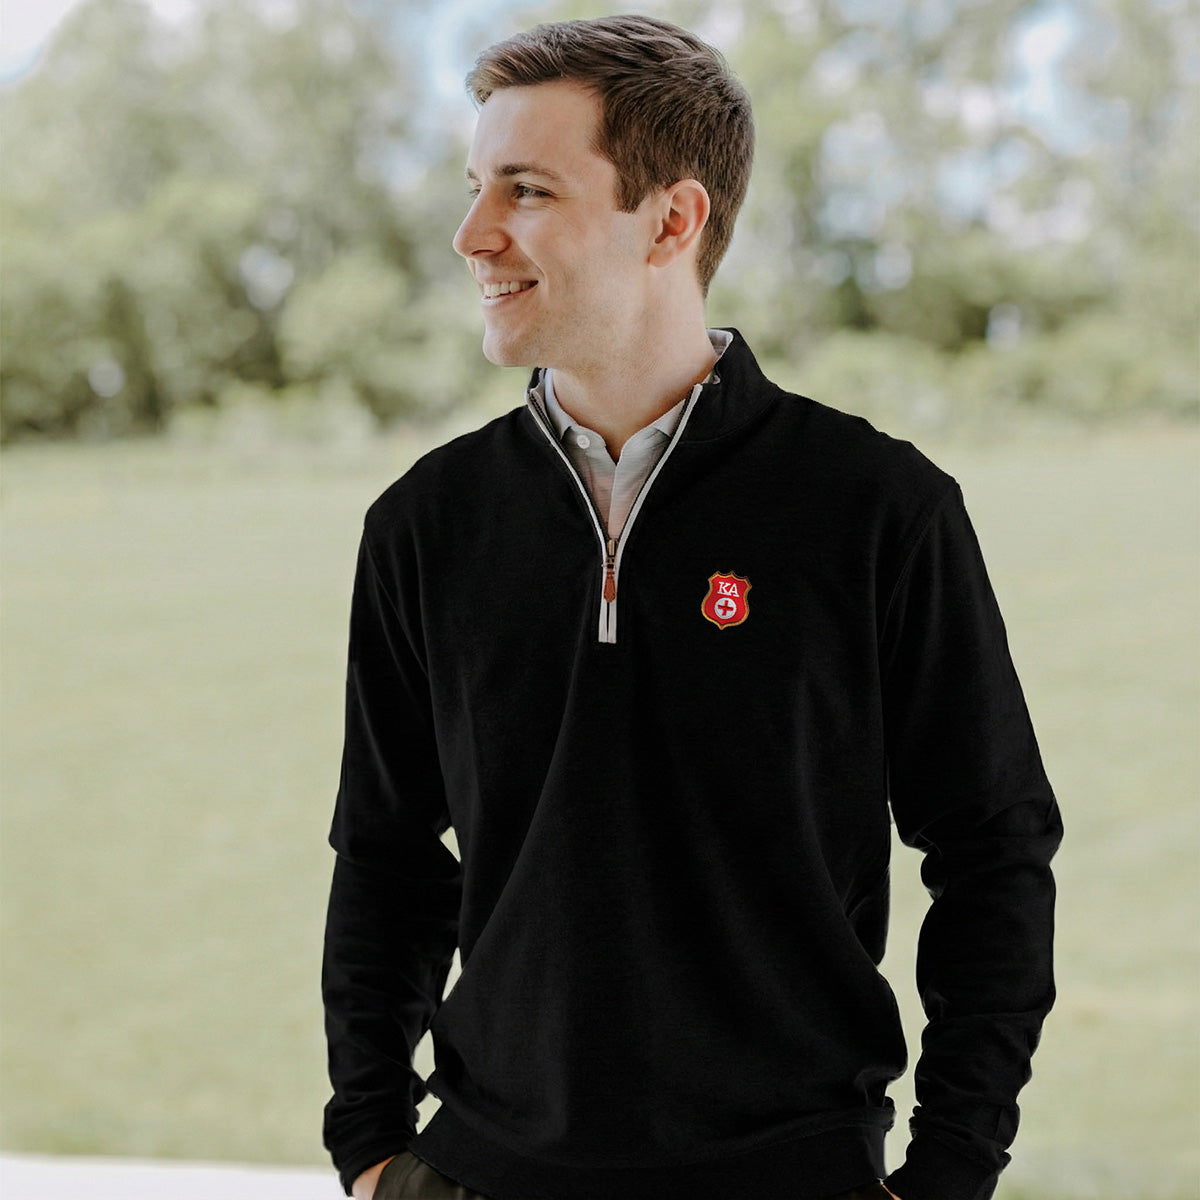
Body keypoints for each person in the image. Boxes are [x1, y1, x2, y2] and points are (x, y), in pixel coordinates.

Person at [321, 15, 1062, 1200]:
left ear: (672, 220)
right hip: (479, 1175)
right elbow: (387, 856)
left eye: (526, 190)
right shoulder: (426, 524)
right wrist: (368, 1145)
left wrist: (951, 1171)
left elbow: (994, 853)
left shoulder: (878, 510)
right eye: (474, 188)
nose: (472, 235)